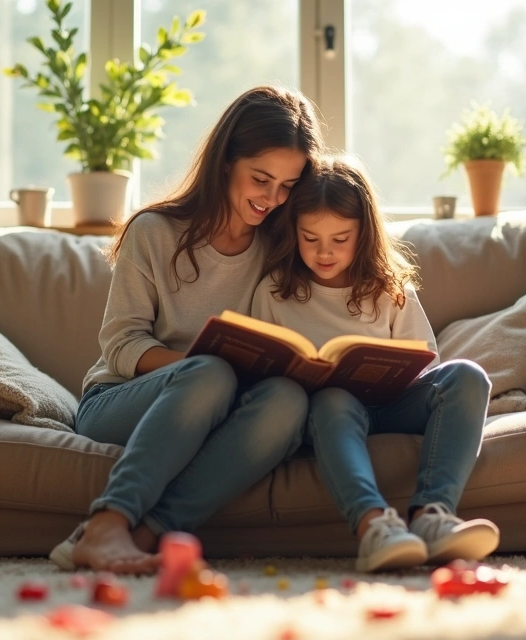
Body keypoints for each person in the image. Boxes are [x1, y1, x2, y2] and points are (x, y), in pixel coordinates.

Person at [50, 86, 325, 575]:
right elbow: (121, 346)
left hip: (226, 399)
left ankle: (145, 533)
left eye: (287, 186)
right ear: (225, 162)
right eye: (261, 179)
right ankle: (107, 522)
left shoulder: (279, 247)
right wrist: (203, 367)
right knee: (212, 373)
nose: (272, 198)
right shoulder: (154, 231)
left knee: (288, 400)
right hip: (121, 399)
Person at [251, 155, 500, 573]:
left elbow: (425, 361)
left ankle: (432, 517)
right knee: (334, 398)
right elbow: (258, 369)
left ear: (364, 232)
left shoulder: (387, 288)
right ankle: (375, 528)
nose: (324, 252)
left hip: (392, 404)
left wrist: (395, 376)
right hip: (327, 415)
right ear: (293, 231)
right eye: (310, 238)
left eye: (340, 238)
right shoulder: (274, 291)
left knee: (467, 376)